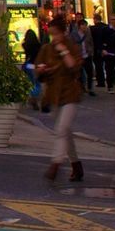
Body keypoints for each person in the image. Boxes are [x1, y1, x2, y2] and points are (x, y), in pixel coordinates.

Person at [36, 15, 85, 183]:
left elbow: (74, 67)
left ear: (63, 33)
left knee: (62, 129)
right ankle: (76, 164)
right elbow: (37, 68)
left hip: (70, 93)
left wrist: (63, 50)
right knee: (66, 132)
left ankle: (55, 163)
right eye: (51, 34)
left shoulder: (71, 46)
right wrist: (41, 70)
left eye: (56, 34)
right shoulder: (46, 49)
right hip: (53, 94)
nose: (53, 38)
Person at [69, 16, 94, 96]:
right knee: (79, 73)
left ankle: (90, 88)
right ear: (79, 26)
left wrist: (91, 51)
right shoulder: (73, 34)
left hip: (87, 55)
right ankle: (81, 88)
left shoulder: (88, 33)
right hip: (78, 56)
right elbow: (71, 44)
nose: (85, 27)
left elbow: (91, 42)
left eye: (86, 26)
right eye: (83, 25)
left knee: (90, 72)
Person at [102, 14, 115, 93]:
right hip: (108, 53)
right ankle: (110, 86)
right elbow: (101, 40)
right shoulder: (105, 30)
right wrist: (103, 49)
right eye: (112, 19)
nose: (114, 21)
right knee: (109, 70)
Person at [22, 28, 42, 111]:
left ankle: (31, 97)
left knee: (30, 81)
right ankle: (33, 97)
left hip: (27, 65)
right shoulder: (38, 45)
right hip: (34, 65)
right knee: (36, 83)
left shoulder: (25, 45)